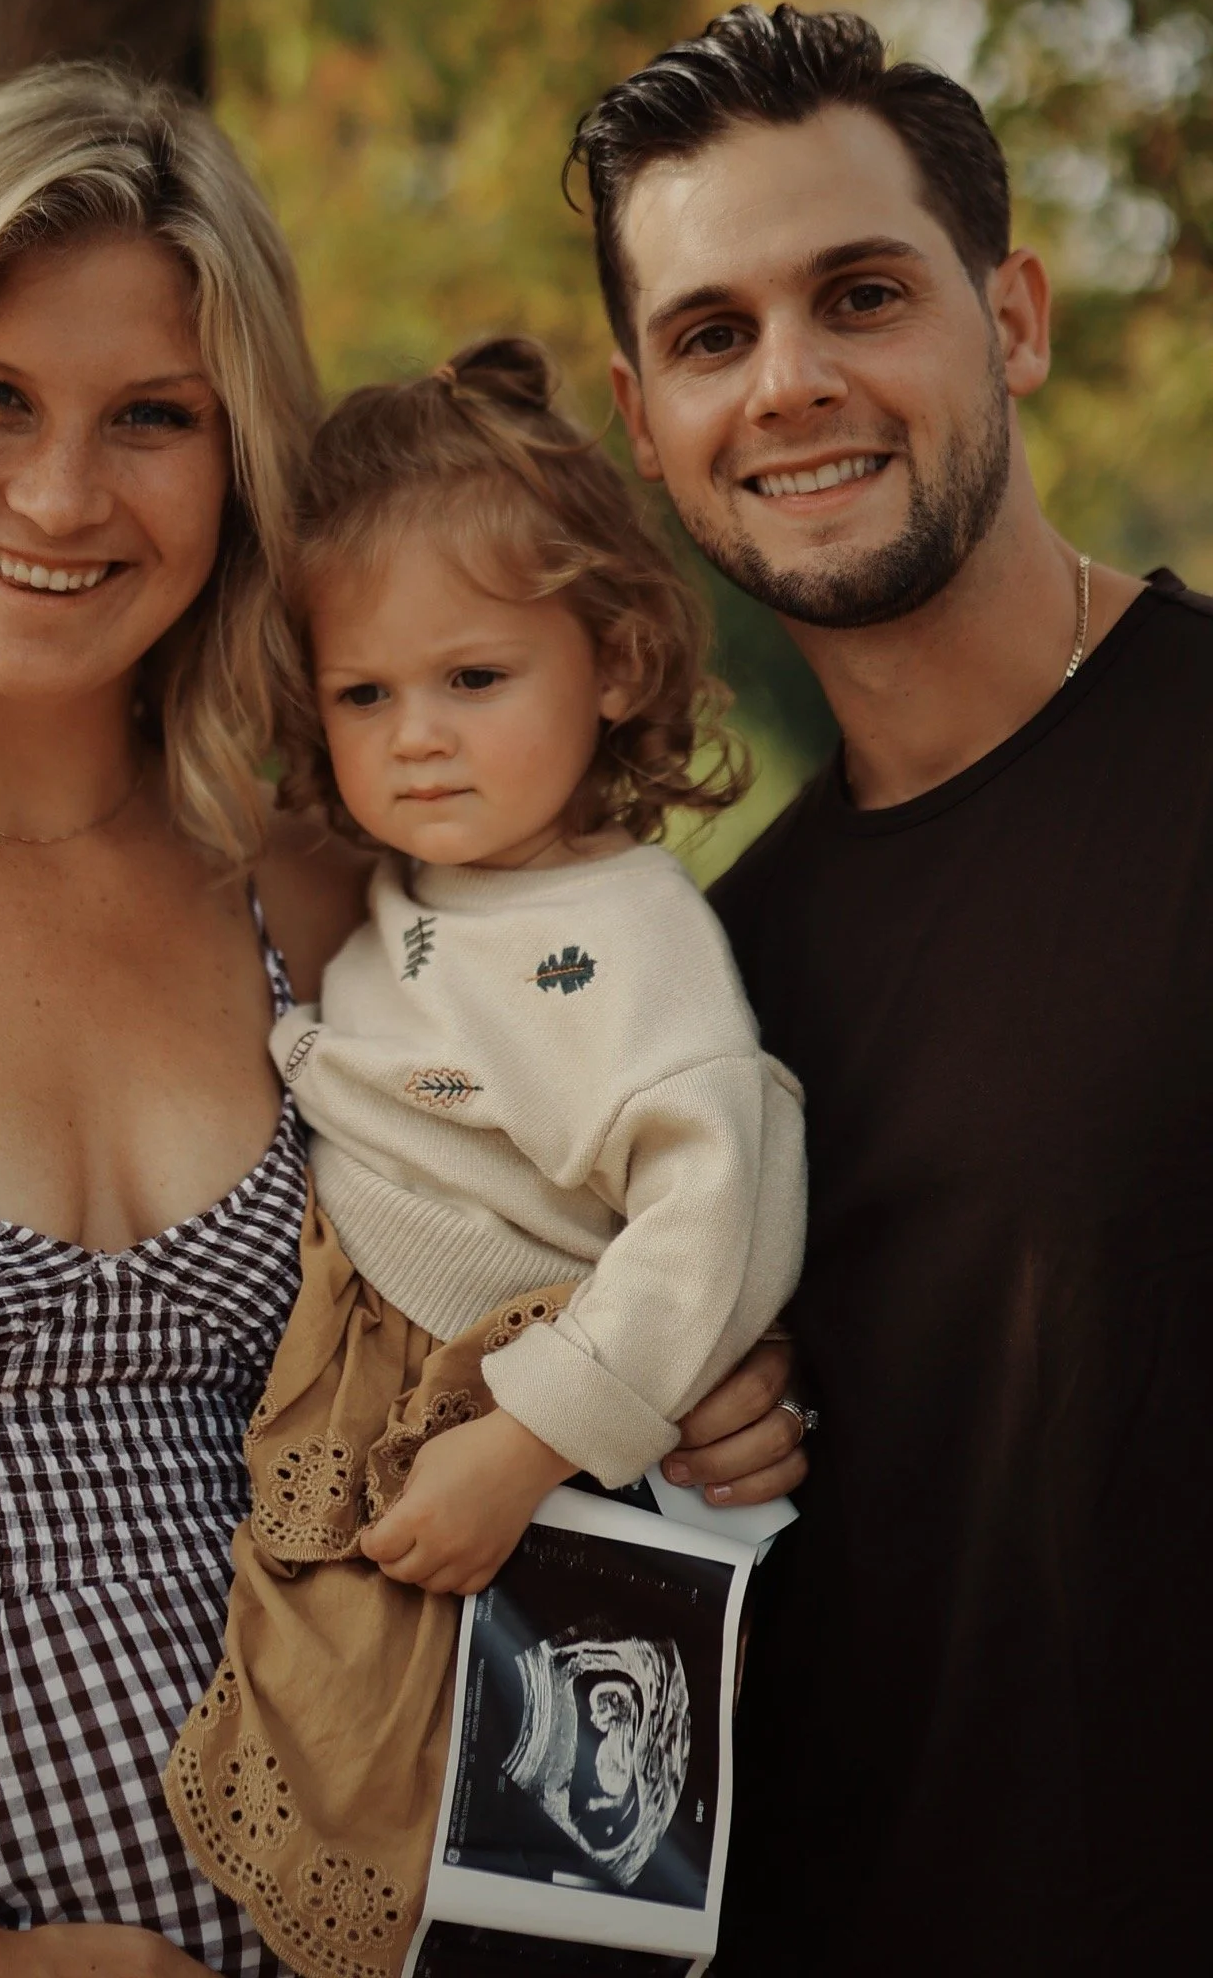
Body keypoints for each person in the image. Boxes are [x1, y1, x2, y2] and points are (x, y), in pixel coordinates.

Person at [0, 61, 800, 1978]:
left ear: (240, 461)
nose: (58, 491)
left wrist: (691, 1391)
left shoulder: (320, 898)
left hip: (424, 1914)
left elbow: (574, 1243)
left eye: (151, 420)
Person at [571, 1, 1213, 1976]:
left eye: (862, 295)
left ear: (1011, 319)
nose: (790, 384)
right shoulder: (704, 986)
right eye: (711, 336)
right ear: (644, 420)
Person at [163, 339, 806, 1978]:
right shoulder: (411, 891)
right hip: (366, 1379)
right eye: (364, 695)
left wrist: (529, 1442)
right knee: (329, 1726)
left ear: (611, 661)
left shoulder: (630, 933)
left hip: (498, 1416)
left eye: (473, 681)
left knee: (475, 1805)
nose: (417, 740)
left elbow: (717, 1208)